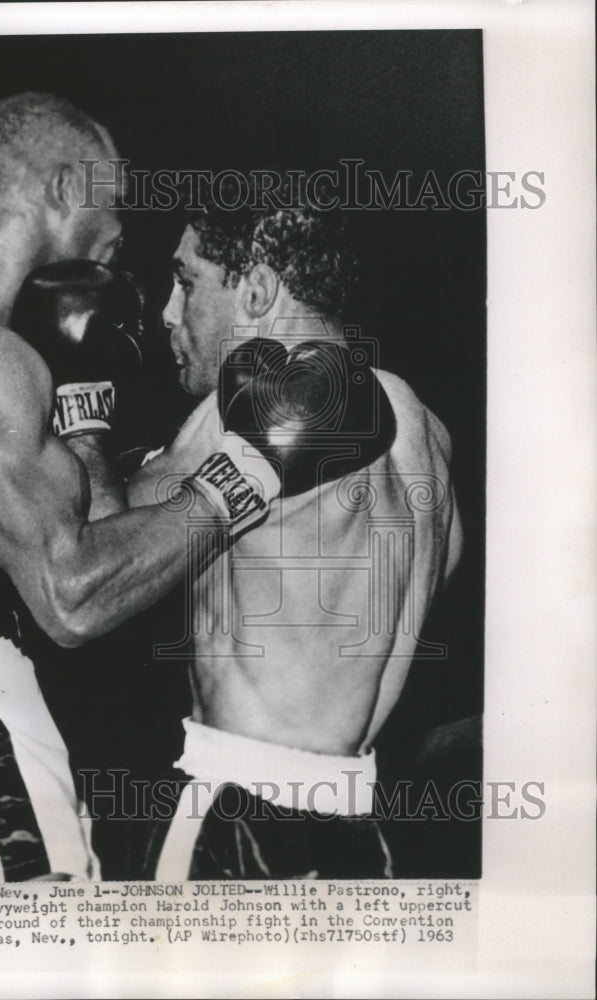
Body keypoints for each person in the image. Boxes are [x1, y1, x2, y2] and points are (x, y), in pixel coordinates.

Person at [0, 94, 280, 885]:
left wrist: (86, 421)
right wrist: (256, 470)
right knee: (41, 952)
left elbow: (81, 525)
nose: (119, 238)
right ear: (65, 186)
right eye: (114, 208)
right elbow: (73, 597)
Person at [124, 182, 464, 879]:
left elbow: (106, 537)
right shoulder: (424, 430)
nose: (166, 313)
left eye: (185, 283)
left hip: (238, 813)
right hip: (357, 827)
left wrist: (81, 410)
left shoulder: (248, 404)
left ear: (255, 289)